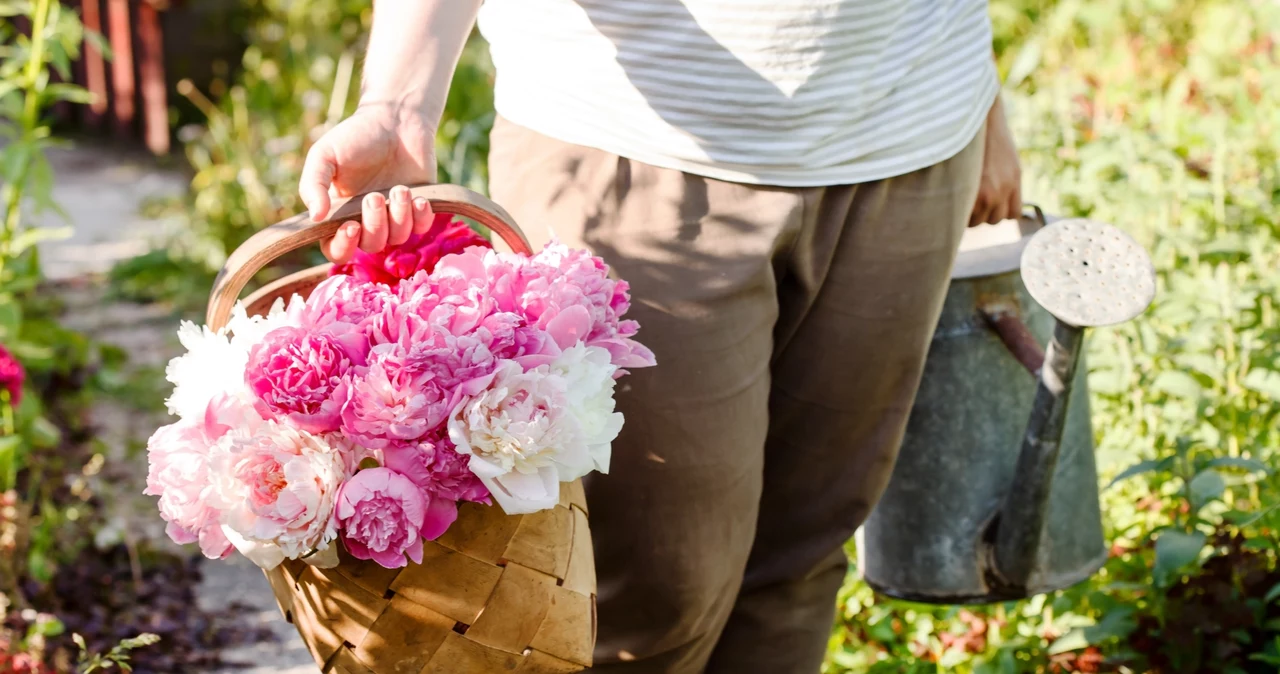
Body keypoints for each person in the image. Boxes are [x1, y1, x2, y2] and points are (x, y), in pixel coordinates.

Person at [297, 1, 1022, 672]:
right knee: (647, 593)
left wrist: (981, 93)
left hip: (917, 132)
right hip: (630, 142)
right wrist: (398, 101)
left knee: (801, 554)